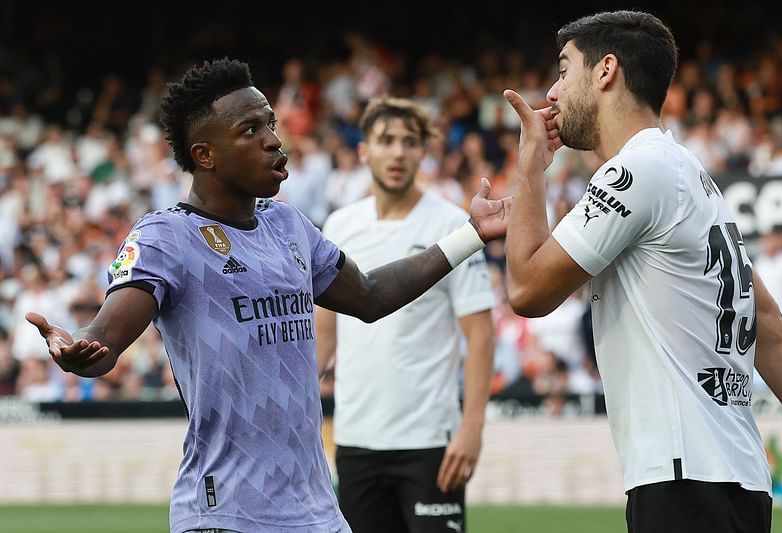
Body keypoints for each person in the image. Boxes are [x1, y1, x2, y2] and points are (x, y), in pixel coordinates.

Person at [24, 58, 511, 533]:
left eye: (271, 124)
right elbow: (106, 336)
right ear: (205, 154)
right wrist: (81, 349)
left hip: (316, 509)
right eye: (249, 130)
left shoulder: (290, 225)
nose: (274, 141)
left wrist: (470, 233)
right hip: (225, 510)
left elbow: (370, 295)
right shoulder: (166, 237)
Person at [502, 10, 782, 533]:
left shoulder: (636, 171)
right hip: (739, 477)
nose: (551, 91)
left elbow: (527, 290)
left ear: (606, 71)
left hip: (683, 482)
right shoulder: (690, 174)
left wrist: (530, 163)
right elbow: (769, 326)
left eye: (564, 69)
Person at [316, 97, 495, 533]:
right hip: (356, 442)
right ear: (364, 151)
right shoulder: (339, 226)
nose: (397, 152)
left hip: (430, 441)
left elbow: (481, 335)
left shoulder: (454, 226)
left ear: (423, 152)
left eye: (409, 142)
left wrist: (471, 429)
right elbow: (323, 337)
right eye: (386, 140)